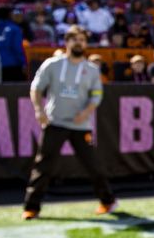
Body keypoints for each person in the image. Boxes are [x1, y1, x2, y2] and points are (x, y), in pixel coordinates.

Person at [22, 25, 117, 220]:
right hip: (55, 122)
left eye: (82, 40)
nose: (79, 43)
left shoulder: (91, 69)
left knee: (93, 165)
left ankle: (107, 201)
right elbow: (36, 88)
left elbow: (97, 94)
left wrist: (87, 111)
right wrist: (39, 110)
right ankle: (31, 207)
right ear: (67, 42)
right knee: (43, 166)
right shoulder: (52, 64)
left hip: (80, 125)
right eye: (74, 39)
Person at [0, 7, 28, 83]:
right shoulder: (15, 29)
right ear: (8, 15)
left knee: (2, 91)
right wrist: (23, 62)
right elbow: (17, 48)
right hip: (14, 64)